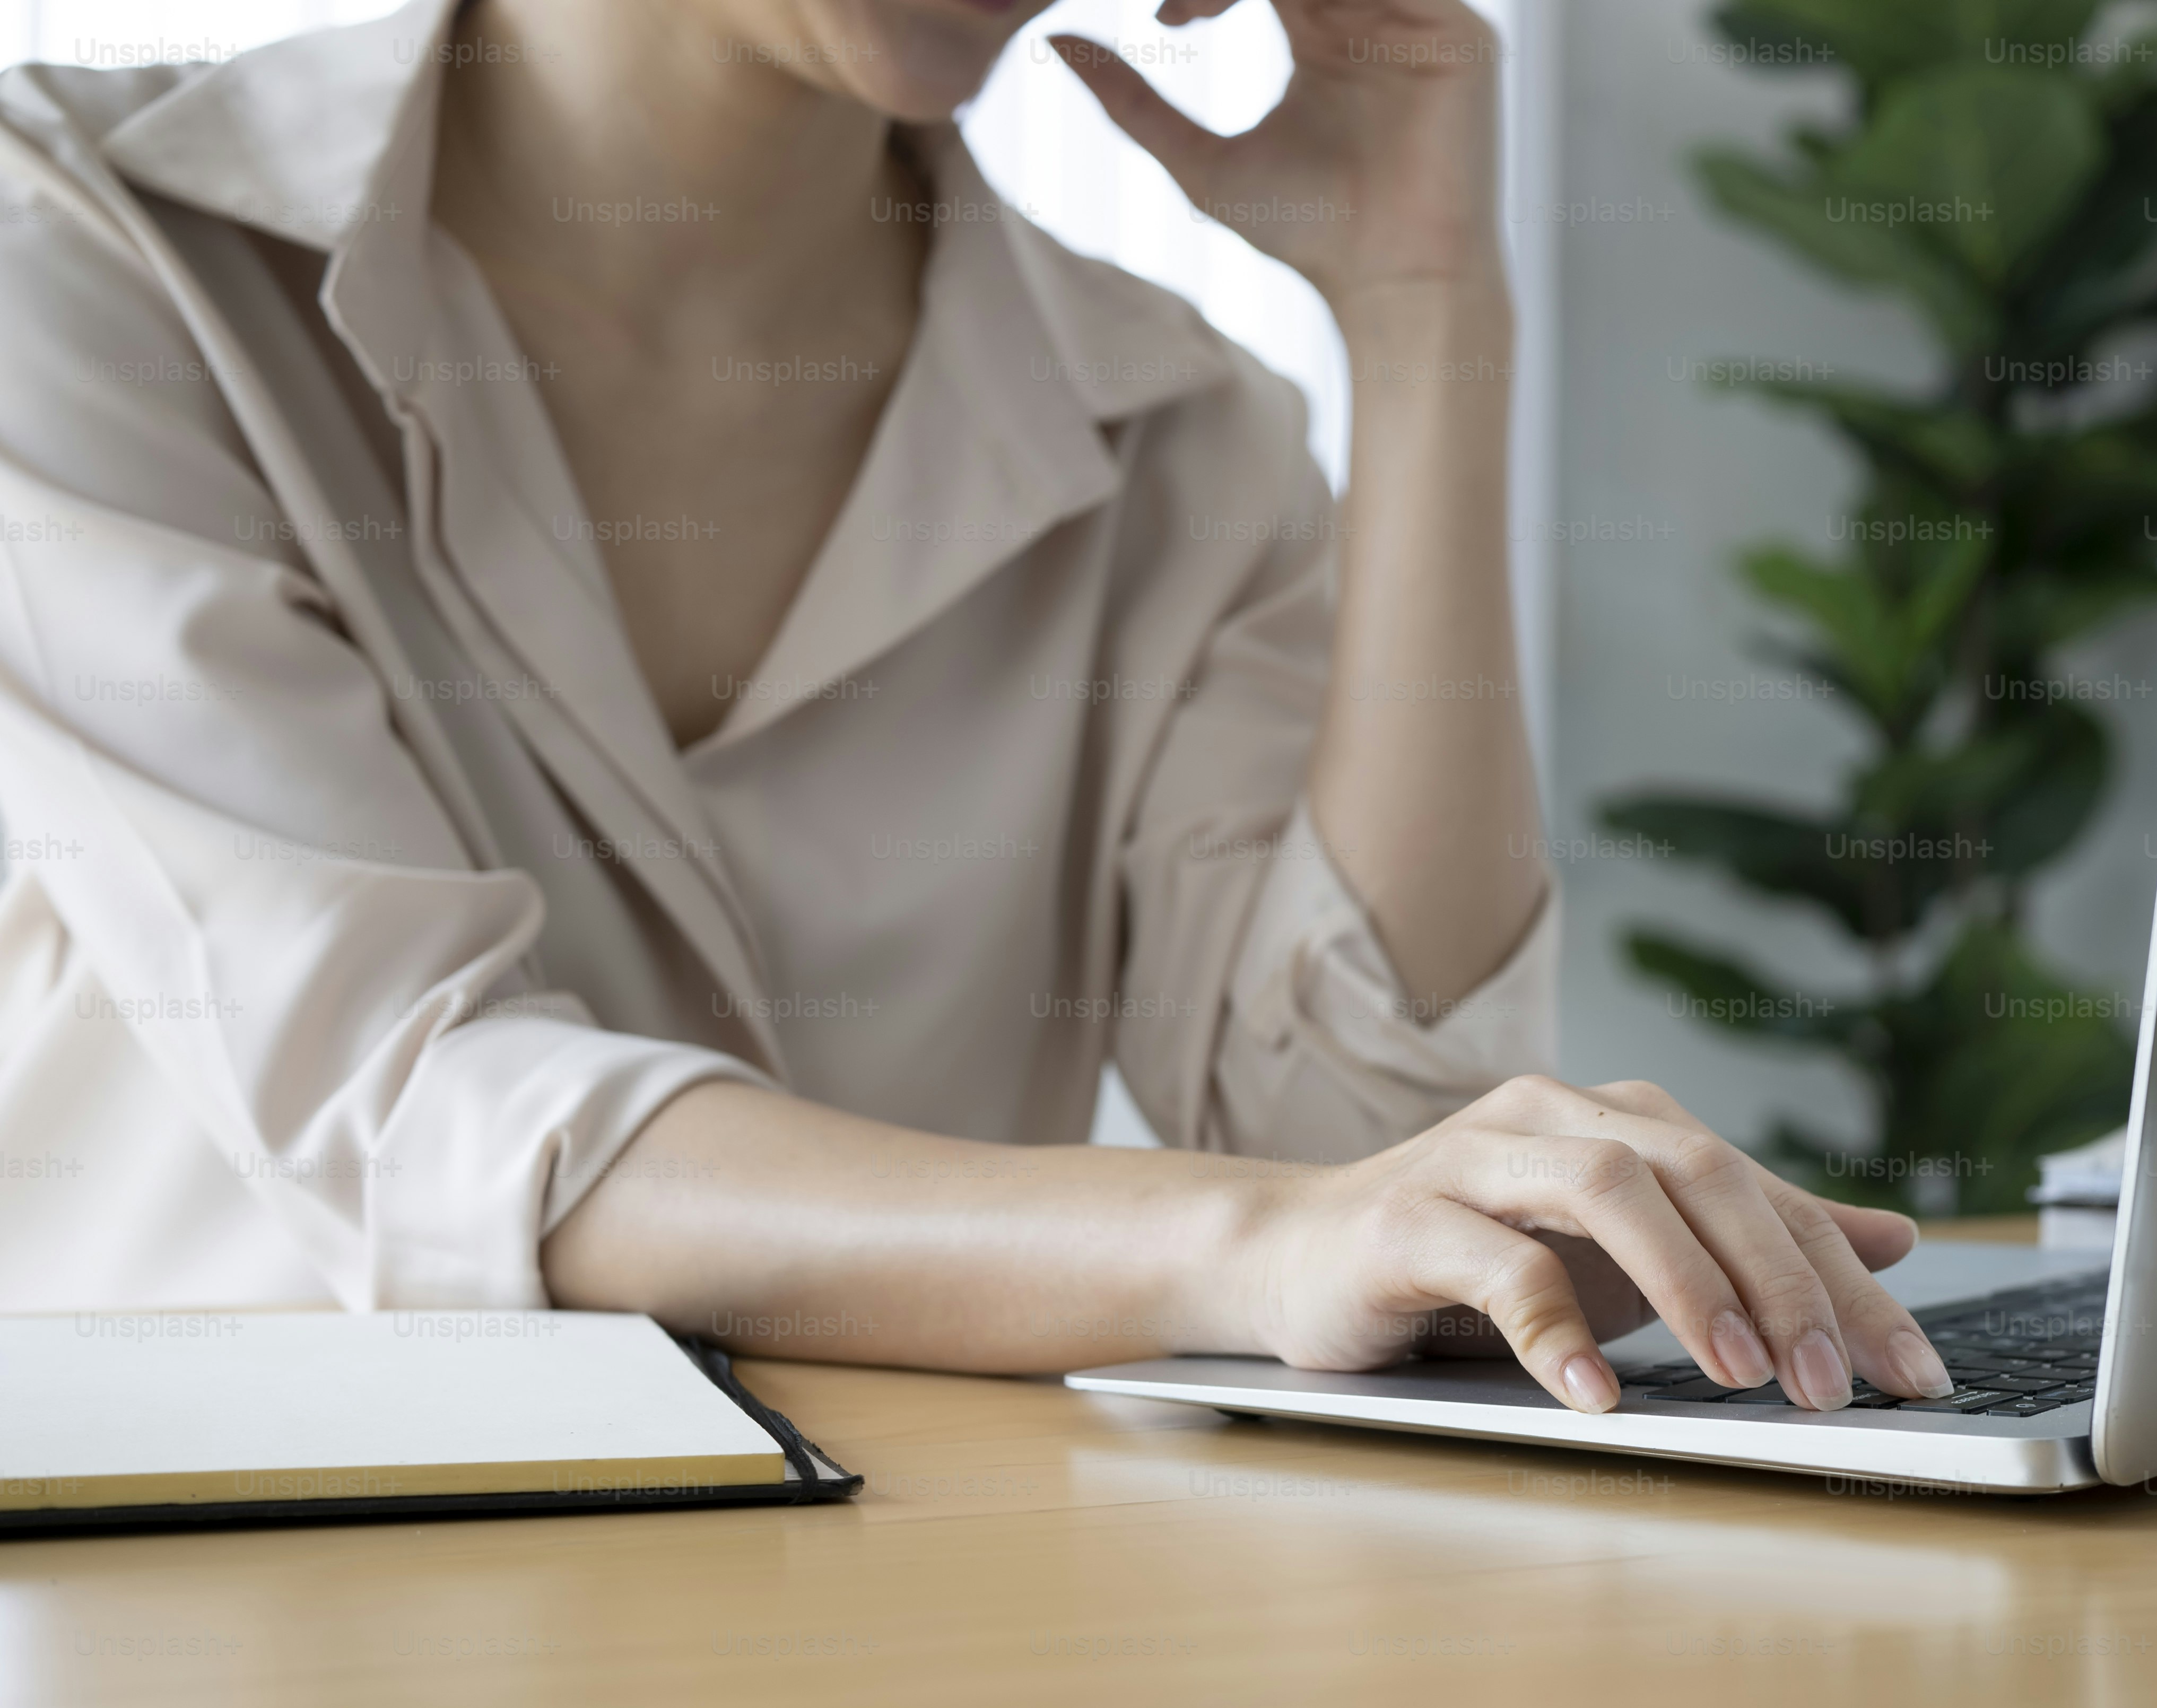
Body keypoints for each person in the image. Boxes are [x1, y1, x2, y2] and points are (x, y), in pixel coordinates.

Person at [0, 0, 1959, 1416]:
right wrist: (1241, 1243)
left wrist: (1428, 312)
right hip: (220, 1681)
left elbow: (1380, 1161)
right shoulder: (85, 252)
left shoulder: (1182, 428)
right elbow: (418, 1100)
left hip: (905, 1650)